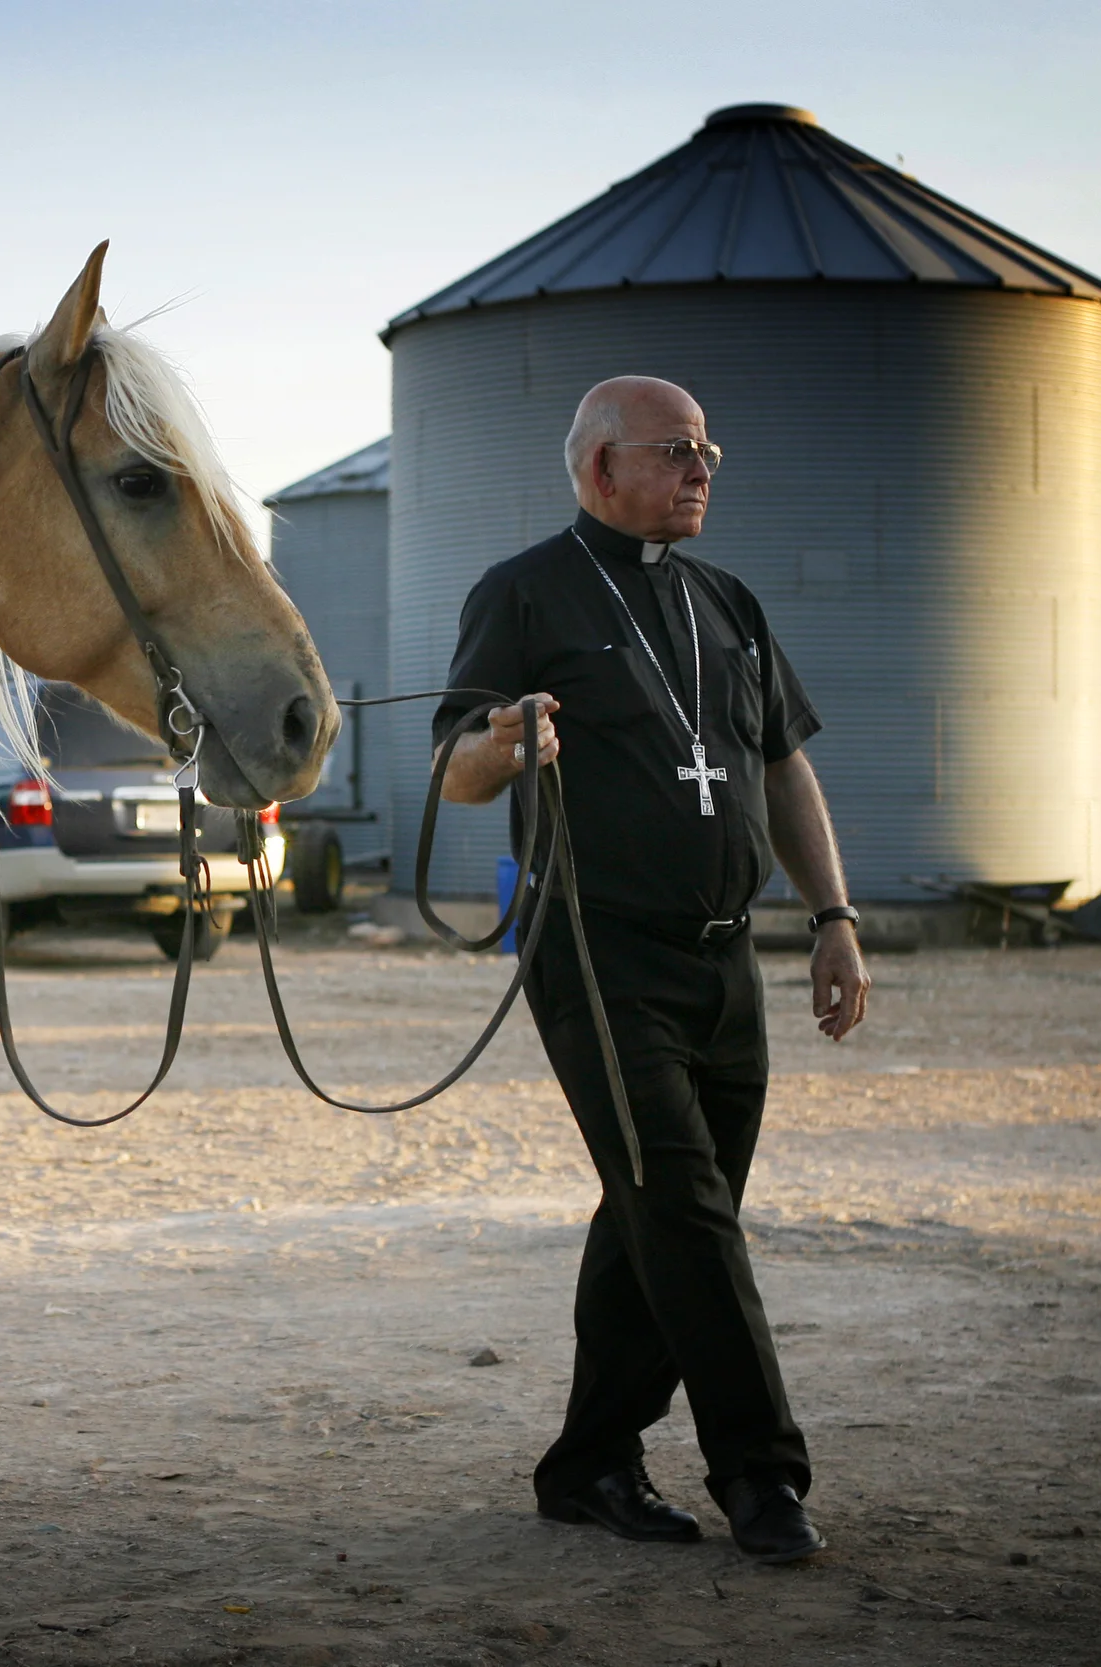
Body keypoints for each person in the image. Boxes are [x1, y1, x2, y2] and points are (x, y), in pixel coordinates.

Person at [433, 375, 869, 1564]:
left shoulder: (727, 599)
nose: (702, 468)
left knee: (663, 1213)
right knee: (680, 1204)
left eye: (708, 449)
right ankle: (761, 1475)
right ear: (598, 471)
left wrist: (831, 913)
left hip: (725, 957)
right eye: (674, 450)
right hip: (597, 948)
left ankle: (587, 1463)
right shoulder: (520, 592)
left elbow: (780, 765)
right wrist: (499, 742)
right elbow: (452, 771)